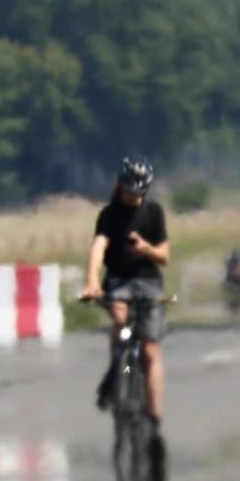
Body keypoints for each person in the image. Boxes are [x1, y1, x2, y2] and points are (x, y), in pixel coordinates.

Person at [82, 157, 171, 434]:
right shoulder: (109, 215)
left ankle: (155, 416)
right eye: (131, 191)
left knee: (149, 350)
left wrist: (145, 248)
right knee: (121, 324)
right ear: (121, 186)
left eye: (140, 192)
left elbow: (165, 256)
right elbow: (99, 248)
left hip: (149, 284)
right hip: (119, 282)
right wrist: (92, 280)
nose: (135, 197)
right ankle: (119, 374)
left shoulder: (154, 213)